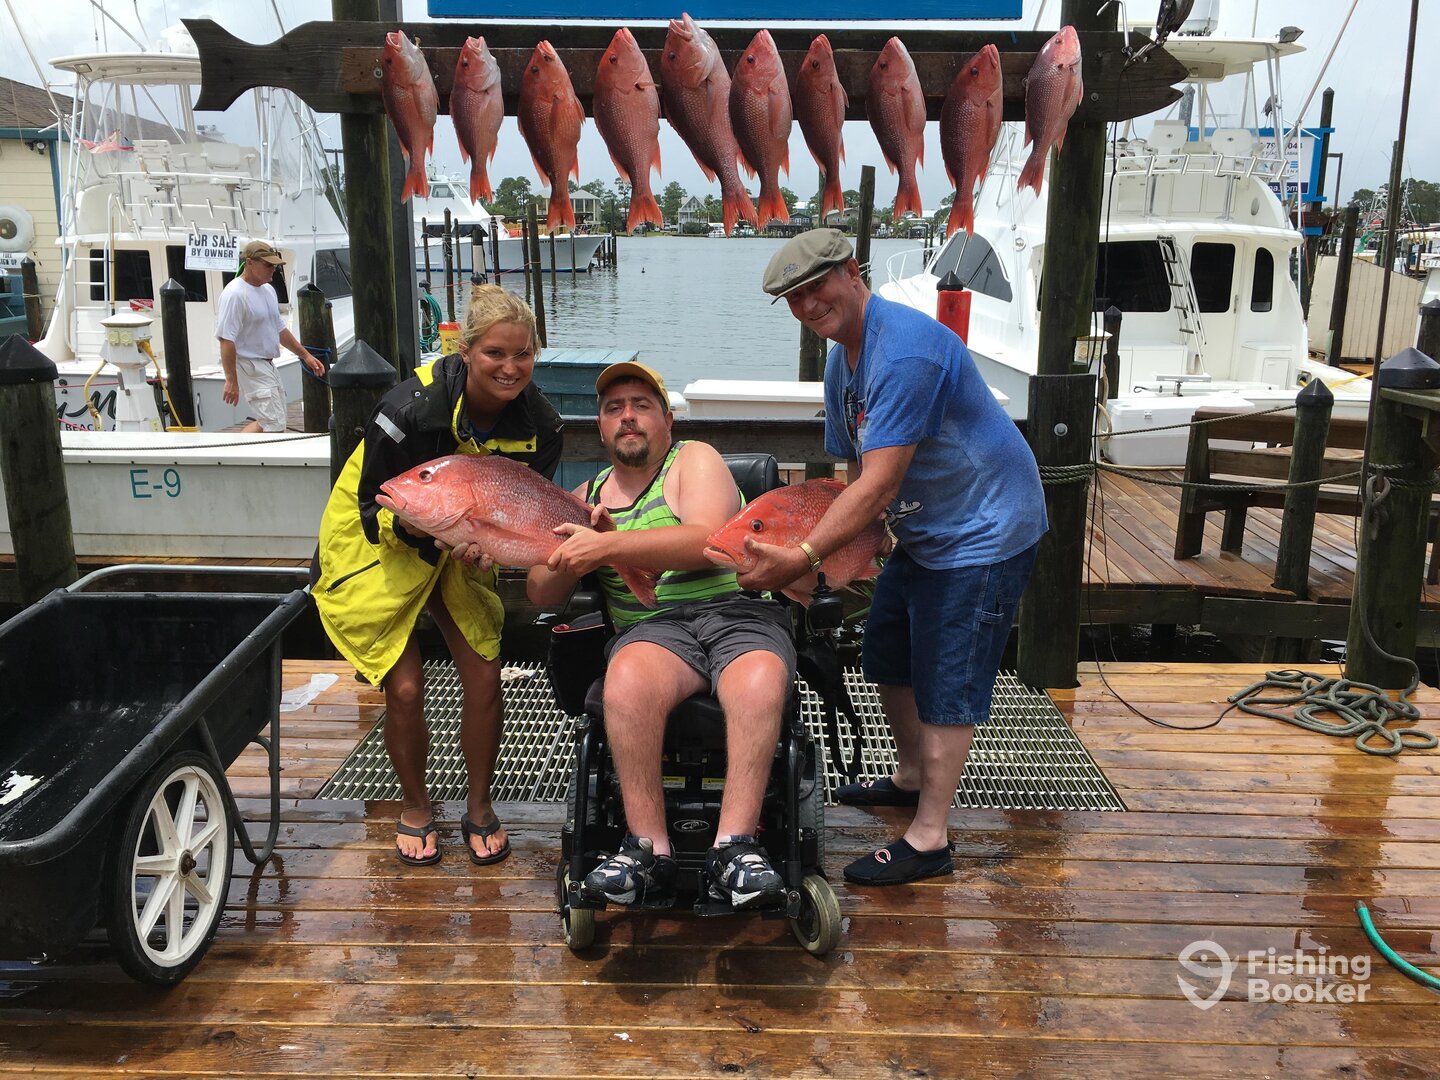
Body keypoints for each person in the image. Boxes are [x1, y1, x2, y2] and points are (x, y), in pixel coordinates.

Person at [741, 228, 1047, 887]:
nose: (806, 305)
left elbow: (877, 482)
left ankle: (931, 836)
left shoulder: (903, 351)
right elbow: (855, 468)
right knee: (886, 650)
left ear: (853, 271)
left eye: (814, 288)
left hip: (986, 527)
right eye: (792, 299)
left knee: (949, 674)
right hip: (925, 528)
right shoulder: (841, 359)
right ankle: (910, 778)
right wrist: (870, 532)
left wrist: (804, 555)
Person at [527, 361, 795, 910]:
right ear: (600, 428)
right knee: (624, 679)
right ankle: (647, 850)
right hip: (653, 631)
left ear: (667, 420)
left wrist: (609, 547)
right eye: (614, 408)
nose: (628, 417)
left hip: (736, 614)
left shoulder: (692, 460)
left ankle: (734, 848)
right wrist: (573, 553)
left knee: (760, 676)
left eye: (642, 405)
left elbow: (706, 540)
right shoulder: (585, 498)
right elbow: (540, 591)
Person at [313, 285, 563, 867]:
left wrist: (485, 550)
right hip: (380, 535)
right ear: (466, 351)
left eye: (523, 354)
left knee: (484, 673)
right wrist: (430, 530)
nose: (510, 367)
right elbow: (376, 507)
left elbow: (528, 510)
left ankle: (479, 807)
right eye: (495, 353)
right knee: (402, 687)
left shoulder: (542, 425)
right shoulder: (407, 409)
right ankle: (417, 805)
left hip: (463, 536)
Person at [215, 241, 327, 433]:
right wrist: (231, 380)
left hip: (267, 364)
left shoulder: (268, 290)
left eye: (275, 265)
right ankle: (238, 455)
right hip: (249, 364)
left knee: (275, 419)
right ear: (249, 263)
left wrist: (305, 355)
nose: (273, 269)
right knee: (272, 422)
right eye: (268, 265)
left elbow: (279, 328)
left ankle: (236, 450)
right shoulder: (234, 294)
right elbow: (226, 339)